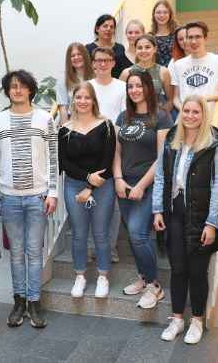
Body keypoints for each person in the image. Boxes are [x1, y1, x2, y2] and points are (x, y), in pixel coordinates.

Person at [152, 95, 218, 344]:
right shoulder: (172, 139)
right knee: (178, 269)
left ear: (203, 115)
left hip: (201, 215)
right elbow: (162, 177)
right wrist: (158, 210)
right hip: (174, 212)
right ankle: (176, 319)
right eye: (186, 111)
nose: (190, 116)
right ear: (181, 112)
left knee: (197, 272)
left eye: (196, 112)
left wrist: (212, 223)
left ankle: (197, 320)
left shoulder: (213, 144)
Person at [0, 70, 58, 329]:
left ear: (31, 90)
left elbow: (53, 158)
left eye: (22, 86)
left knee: (34, 252)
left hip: (37, 198)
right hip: (9, 199)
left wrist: (52, 192)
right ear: (8, 91)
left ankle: (34, 303)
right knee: (16, 253)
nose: (17, 90)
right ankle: (18, 302)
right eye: (13, 87)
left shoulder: (44, 119)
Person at [113, 70, 172, 309]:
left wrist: (141, 186)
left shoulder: (161, 117)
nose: (134, 90)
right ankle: (144, 277)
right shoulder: (122, 117)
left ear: (148, 87)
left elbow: (161, 158)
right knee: (137, 236)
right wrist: (118, 179)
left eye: (139, 86)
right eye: (130, 87)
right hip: (124, 185)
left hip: (148, 185)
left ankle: (154, 287)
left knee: (138, 233)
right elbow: (116, 152)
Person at [58, 82, 116, 298]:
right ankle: (80, 276)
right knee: (79, 235)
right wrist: (84, 179)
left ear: (94, 101)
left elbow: (107, 160)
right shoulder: (64, 130)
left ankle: (103, 276)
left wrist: (91, 186)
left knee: (101, 234)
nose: (82, 101)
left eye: (87, 97)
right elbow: (63, 162)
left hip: (102, 186)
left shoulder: (106, 125)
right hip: (73, 185)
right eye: (78, 97)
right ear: (73, 101)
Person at [89, 47, 126, 263]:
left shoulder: (122, 87)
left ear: (113, 63)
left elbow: (122, 119)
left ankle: (110, 247)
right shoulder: (88, 87)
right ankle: (95, 245)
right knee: (90, 200)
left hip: (116, 148)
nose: (102, 64)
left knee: (113, 205)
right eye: (98, 60)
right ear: (93, 63)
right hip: (90, 150)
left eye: (107, 60)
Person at [170, 21, 218, 120]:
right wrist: (185, 110)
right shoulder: (178, 65)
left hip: (209, 119)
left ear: (205, 38)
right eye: (190, 37)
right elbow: (175, 98)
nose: (194, 41)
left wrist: (201, 99)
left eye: (198, 37)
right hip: (185, 120)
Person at [119, 34, 173, 113]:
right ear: (135, 50)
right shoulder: (126, 73)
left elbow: (170, 100)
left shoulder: (163, 72)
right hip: (134, 117)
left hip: (157, 117)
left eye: (147, 47)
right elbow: (121, 100)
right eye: (140, 48)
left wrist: (162, 116)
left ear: (154, 49)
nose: (143, 51)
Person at [56, 42, 95, 125]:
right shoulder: (63, 78)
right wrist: (66, 129)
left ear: (85, 56)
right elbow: (63, 108)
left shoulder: (95, 76)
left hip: (91, 121)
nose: (76, 57)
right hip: (71, 120)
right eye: (72, 56)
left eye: (79, 54)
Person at [86, 14, 127, 78]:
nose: (108, 29)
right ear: (97, 29)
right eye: (105, 26)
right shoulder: (88, 49)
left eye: (111, 27)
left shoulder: (120, 48)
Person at [168, 26, 190, 121]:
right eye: (180, 39)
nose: (184, 41)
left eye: (187, 37)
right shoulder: (174, 63)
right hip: (180, 107)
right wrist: (184, 110)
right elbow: (173, 96)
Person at [150, 0, 178, 67]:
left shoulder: (178, 34)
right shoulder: (149, 36)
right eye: (158, 12)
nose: (162, 15)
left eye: (165, 12)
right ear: (154, 15)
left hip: (176, 74)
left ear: (170, 14)